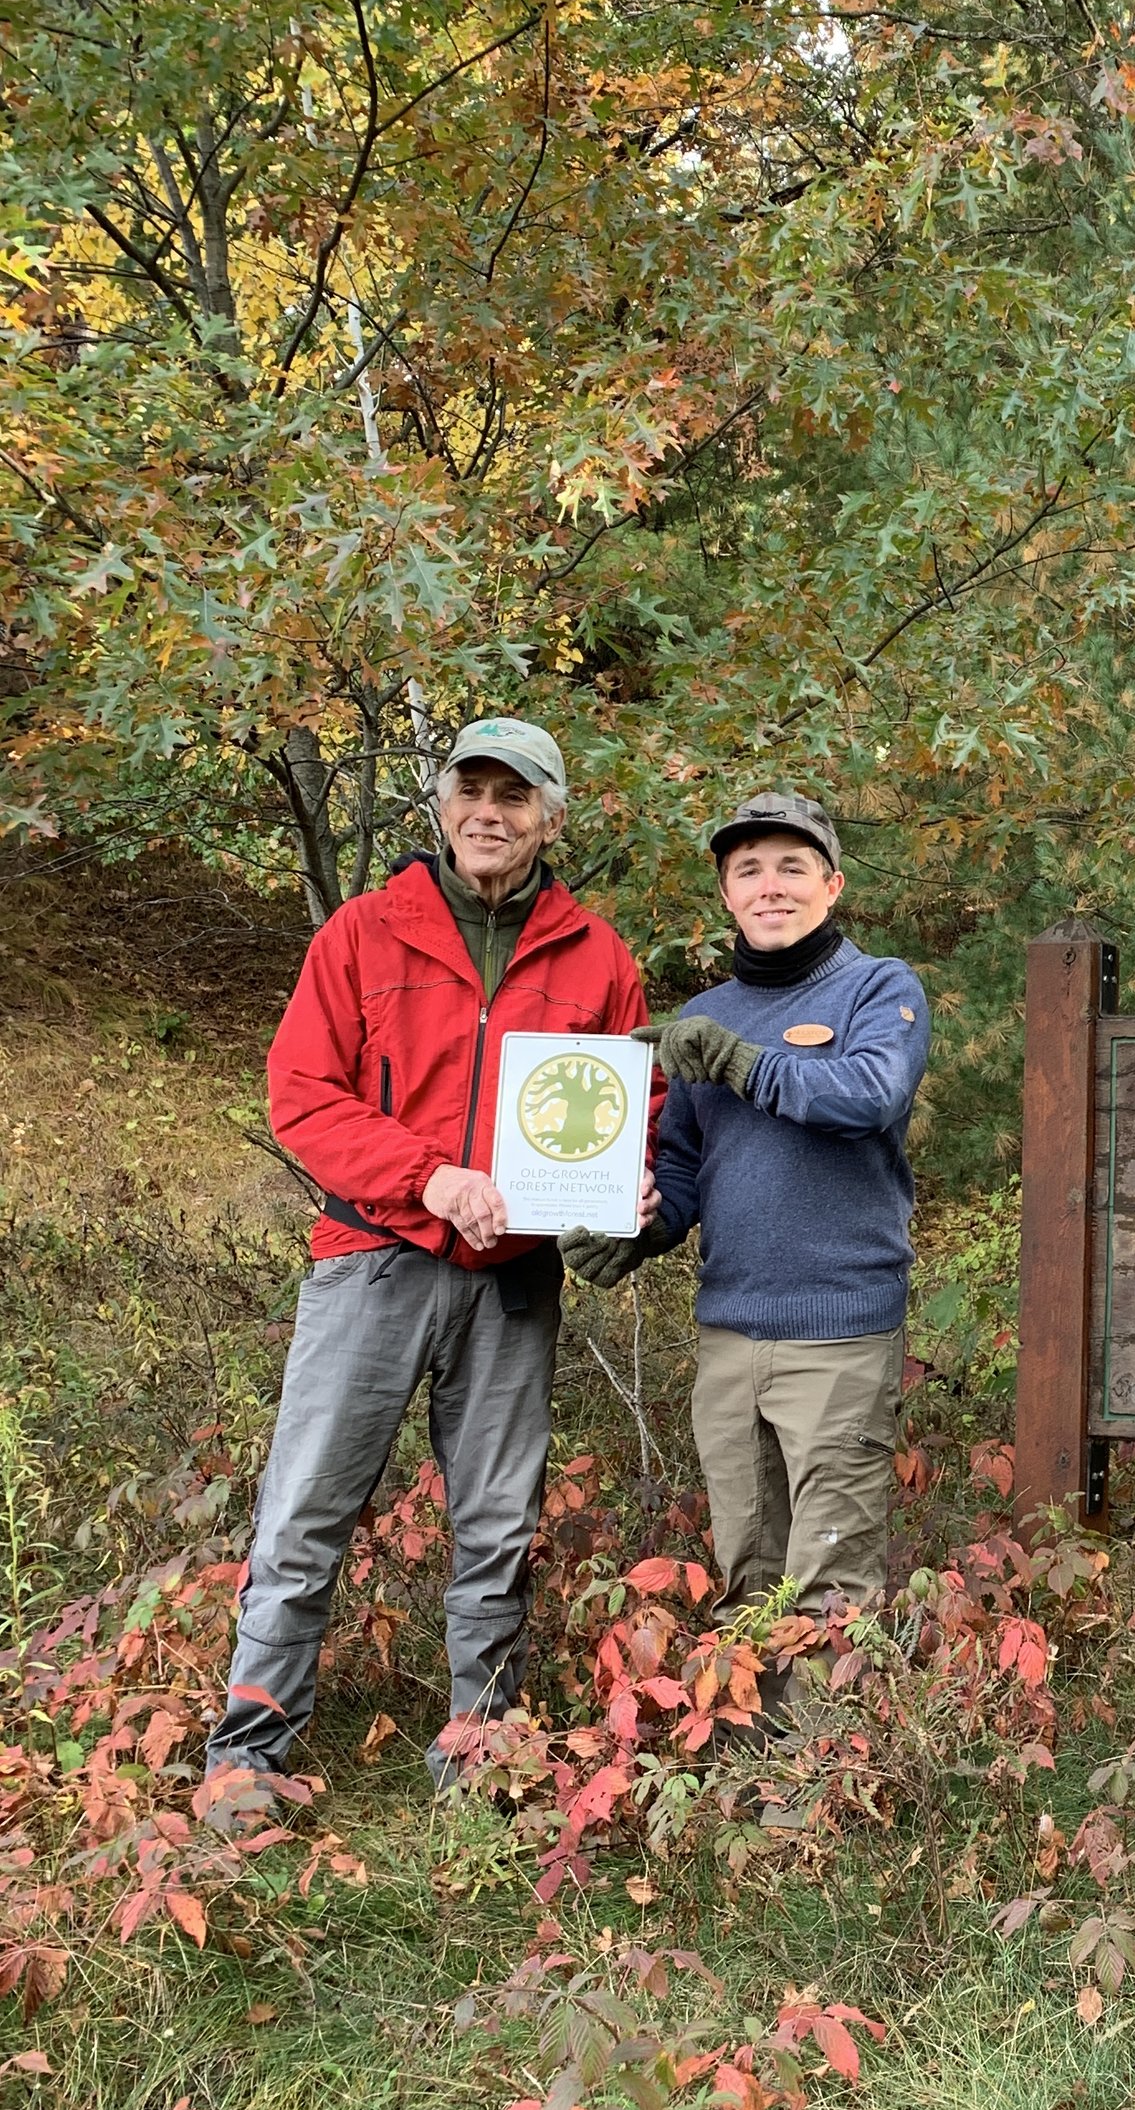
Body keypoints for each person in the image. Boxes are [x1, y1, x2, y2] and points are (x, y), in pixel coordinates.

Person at [209, 719, 650, 1775]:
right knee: (305, 1514)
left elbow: (638, 1106)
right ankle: (248, 1759)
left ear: (552, 816)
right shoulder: (364, 932)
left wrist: (628, 1193)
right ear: (441, 804)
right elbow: (302, 1095)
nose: (488, 814)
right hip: (372, 1260)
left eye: (514, 796)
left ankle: (480, 1753)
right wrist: (428, 1179)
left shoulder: (598, 959)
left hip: (513, 1284)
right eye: (471, 791)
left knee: (498, 1527)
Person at [564, 788, 928, 1639]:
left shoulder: (879, 989)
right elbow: (686, 1166)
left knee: (831, 1594)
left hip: (838, 1334)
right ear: (726, 894)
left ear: (831, 886)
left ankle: (828, 1767)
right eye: (749, 870)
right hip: (729, 1335)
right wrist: (640, 1227)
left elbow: (869, 1093)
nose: (771, 886)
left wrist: (739, 1063)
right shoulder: (705, 1018)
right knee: (749, 1574)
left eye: (792, 868)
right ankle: (751, 1764)